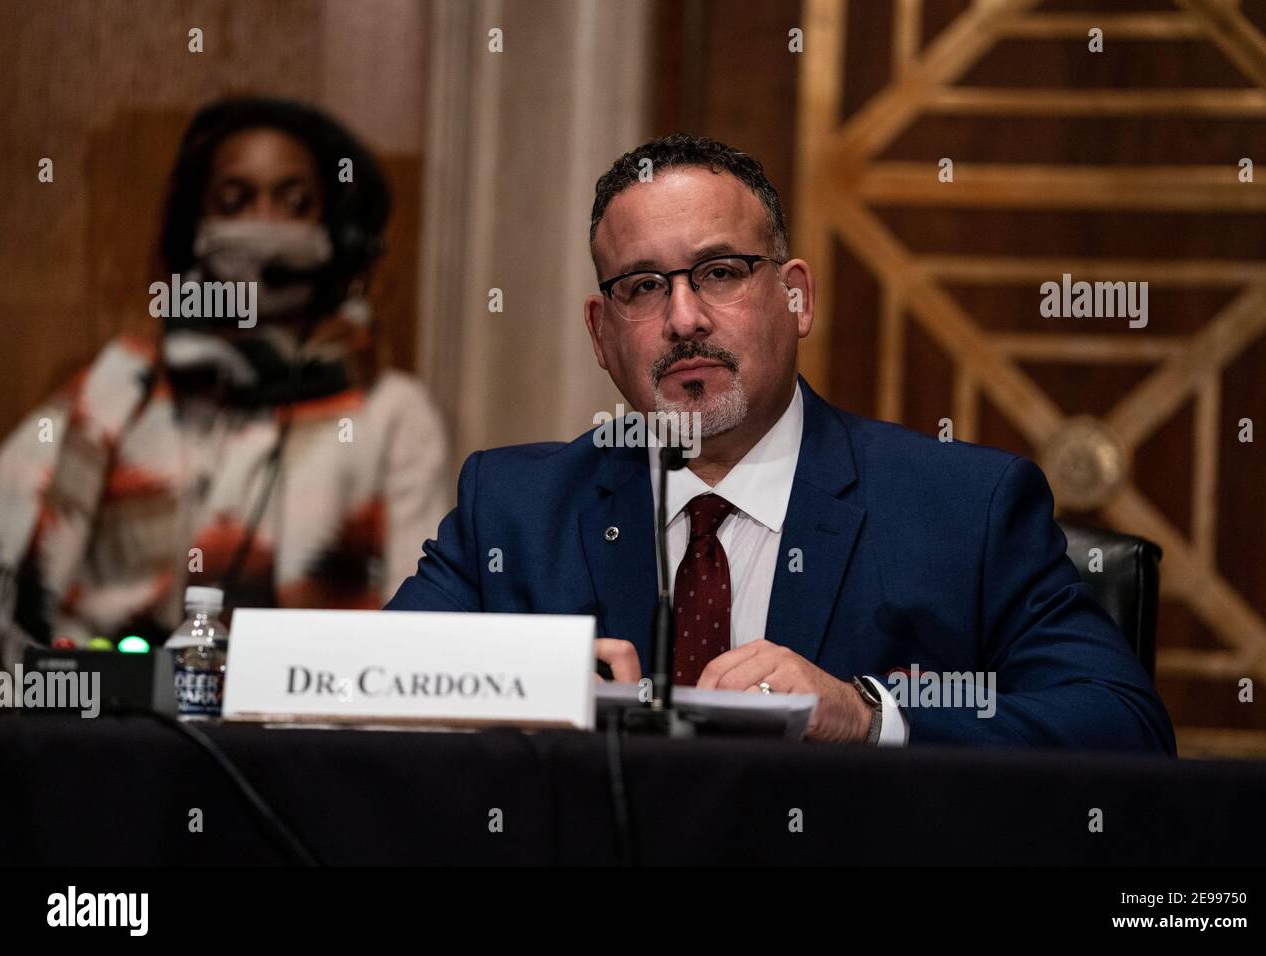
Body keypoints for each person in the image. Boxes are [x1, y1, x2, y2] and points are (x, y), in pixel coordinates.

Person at [386, 133, 1175, 753]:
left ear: (796, 297)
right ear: (601, 334)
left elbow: (1122, 724)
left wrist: (869, 716)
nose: (684, 318)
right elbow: (364, 690)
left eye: (720, 272)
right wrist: (522, 689)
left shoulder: (962, 510)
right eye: (643, 286)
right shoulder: (516, 509)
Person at [0, 97, 450, 662]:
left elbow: (421, 629)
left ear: (336, 232)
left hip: (315, 707)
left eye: (294, 202)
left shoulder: (392, 411)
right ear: (196, 230)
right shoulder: (117, 385)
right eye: (234, 201)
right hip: (110, 706)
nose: (263, 221)